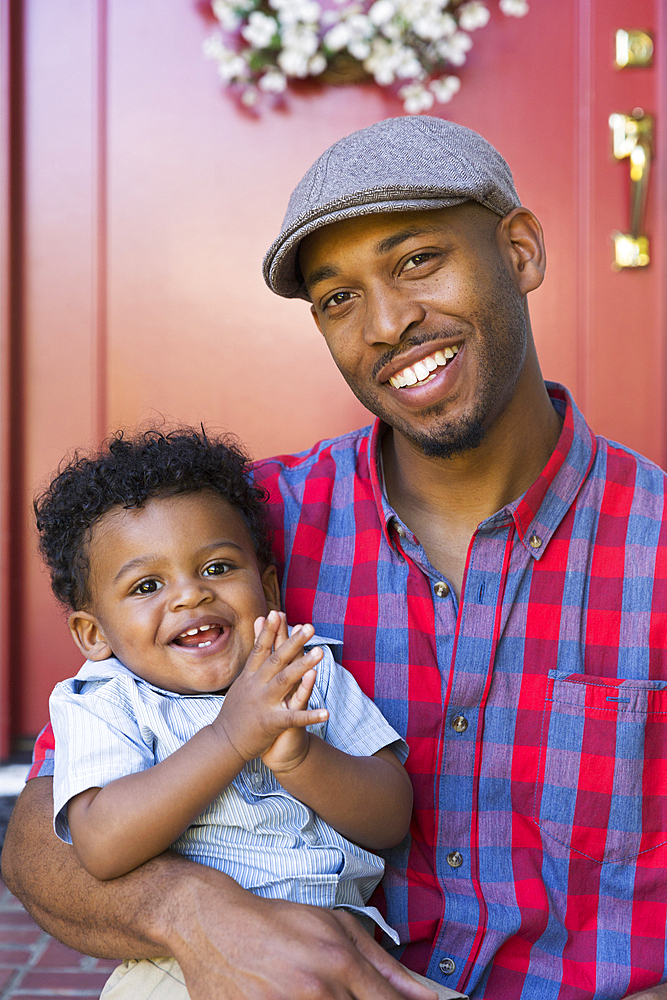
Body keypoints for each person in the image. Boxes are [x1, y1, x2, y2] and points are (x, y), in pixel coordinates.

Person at [3, 116, 667, 1000]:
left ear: (519, 251)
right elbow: (44, 841)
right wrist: (194, 915)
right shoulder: (239, 542)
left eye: (418, 260)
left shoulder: (652, 543)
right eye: (337, 299)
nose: (388, 324)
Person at [36, 426, 452, 1000]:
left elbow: (389, 818)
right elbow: (103, 844)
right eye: (147, 585)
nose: (190, 596)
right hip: (183, 971)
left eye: (216, 569)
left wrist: (302, 759)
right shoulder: (106, 701)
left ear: (269, 589)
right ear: (93, 633)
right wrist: (230, 738)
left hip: (341, 957)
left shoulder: (305, 668)